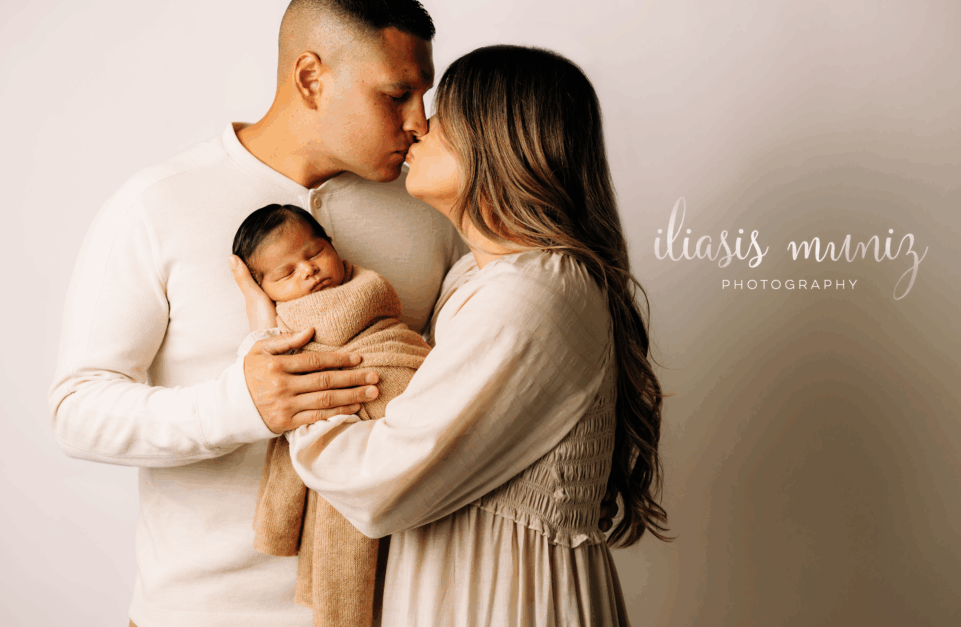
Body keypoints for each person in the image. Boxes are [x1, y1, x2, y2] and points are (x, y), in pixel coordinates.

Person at [48, 0, 461, 627]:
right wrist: (238, 405)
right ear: (310, 78)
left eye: (425, 94)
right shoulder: (159, 203)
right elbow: (77, 408)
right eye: (397, 94)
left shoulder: (434, 211)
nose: (421, 122)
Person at [231, 45, 671, 626]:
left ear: (496, 142)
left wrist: (282, 351)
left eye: (442, 114)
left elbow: (379, 481)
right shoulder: (483, 275)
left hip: (505, 605)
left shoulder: (529, 297)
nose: (417, 126)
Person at [230, 202, 430, 626]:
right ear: (265, 290)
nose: (308, 271)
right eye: (286, 273)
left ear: (333, 247)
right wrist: (261, 324)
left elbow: (395, 339)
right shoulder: (285, 327)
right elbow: (275, 369)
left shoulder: (371, 288)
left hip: (402, 402)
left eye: (314, 253)